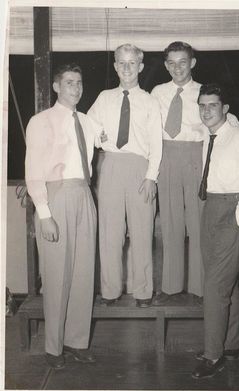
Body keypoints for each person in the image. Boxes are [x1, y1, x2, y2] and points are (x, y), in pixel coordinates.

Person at [151, 41, 239, 305]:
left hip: (196, 158)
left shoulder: (203, 92)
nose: (177, 68)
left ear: (192, 63)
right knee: (170, 222)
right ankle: (171, 286)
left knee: (199, 224)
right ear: (166, 65)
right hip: (166, 156)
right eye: (172, 63)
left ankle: (202, 287)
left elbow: (227, 120)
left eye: (183, 62)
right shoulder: (157, 92)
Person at [25, 63, 101, 369]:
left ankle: (76, 341)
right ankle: (53, 348)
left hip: (85, 193)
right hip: (55, 197)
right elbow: (32, 172)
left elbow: (121, 138)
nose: (76, 88)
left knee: (83, 273)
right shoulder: (41, 121)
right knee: (57, 274)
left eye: (80, 83)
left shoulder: (88, 122)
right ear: (57, 87)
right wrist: (44, 213)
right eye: (69, 83)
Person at [191, 83, 239, 379]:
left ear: (225, 109)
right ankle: (230, 345)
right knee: (227, 283)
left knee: (213, 288)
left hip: (232, 214)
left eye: (212, 105)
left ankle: (213, 356)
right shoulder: (207, 136)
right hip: (209, 209)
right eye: (202, 105)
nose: (206, 110)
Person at [87, 44, 162, 308]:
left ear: (140, 67)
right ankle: (110, 291)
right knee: (110, 233)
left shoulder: (150, 101)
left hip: (140, 169)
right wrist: (100, 137)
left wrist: (151, 177)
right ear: (116, 66)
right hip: (111, 166)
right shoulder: (104, 97)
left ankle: (143, 292)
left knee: (143, 231)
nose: (127, 68)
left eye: (132, 63)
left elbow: (156, 142)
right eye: (122, 63)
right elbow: (89, 125)